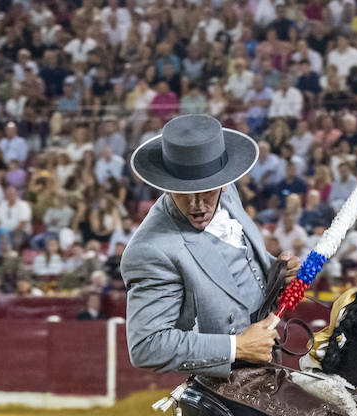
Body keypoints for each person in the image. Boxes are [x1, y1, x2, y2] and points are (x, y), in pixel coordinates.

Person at [121, 115, 293, 376]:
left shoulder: (227, 190)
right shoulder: (149, 250)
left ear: (224, 183)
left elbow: (239, 260)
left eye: (207, 191)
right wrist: (237, 347)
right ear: (167, 187)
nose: (197, 205)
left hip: (270, 366)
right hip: (226, 387)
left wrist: (278, 273)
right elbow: (147, 345)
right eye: (185, 193)